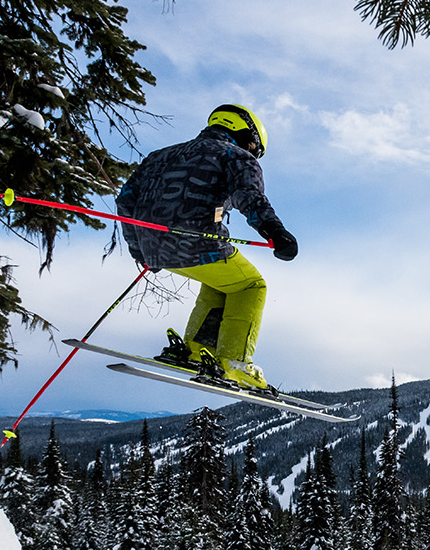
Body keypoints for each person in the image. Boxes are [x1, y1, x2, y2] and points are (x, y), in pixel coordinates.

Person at [115, 105, 297, 391]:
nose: (253, 153)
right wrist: (275, 232)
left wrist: (139, 249)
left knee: (225, 283)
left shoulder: (158, 157)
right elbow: (249, 197)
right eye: (255, 147)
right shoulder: (234, 155)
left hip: (153, 245)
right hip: (200, 243)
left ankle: (195, 349)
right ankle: (235, 364)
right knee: (251, 286)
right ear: (244, 134)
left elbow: (125, 201)